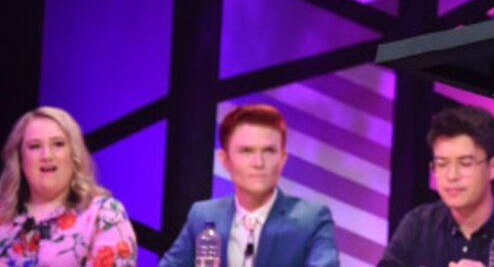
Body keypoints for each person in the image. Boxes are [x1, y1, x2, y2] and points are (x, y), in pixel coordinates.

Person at [159, 103, 339, 267]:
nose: (258, 163)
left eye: (269, 151)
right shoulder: (203, 215)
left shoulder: (311, 219)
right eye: (246, 151)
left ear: (282, 159)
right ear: (225, 160)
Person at [378, 104, 494, 267]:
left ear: (493, 167)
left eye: (465, 163)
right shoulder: (418, 226)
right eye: (442, 164)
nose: (452, 176)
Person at [0, 106, 137, 266]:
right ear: (20, 158)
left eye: (58, 144)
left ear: (74, 154)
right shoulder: (3, 216)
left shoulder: (104, 215)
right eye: (35, 146)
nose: (47, 156)